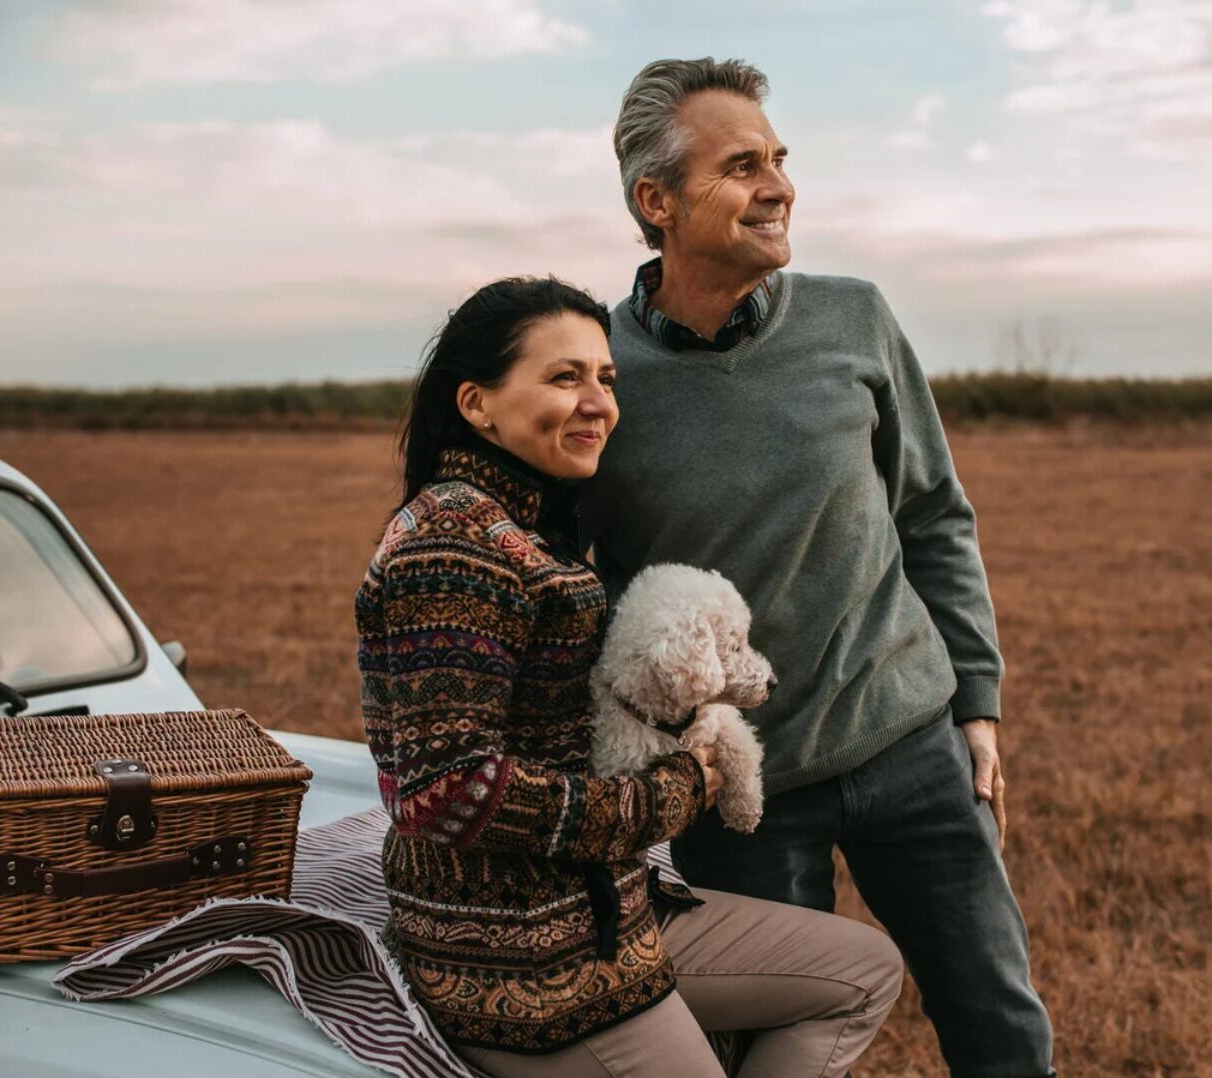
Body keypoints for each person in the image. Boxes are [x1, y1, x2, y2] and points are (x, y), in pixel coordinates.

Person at [579, 59, 1056, 1077]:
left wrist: (976, 702)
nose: (779, 186)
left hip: (913, 747)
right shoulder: (599, 375)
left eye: (779, 160)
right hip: (741, 797)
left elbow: (931, 513)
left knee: (1000, 1025)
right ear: (653, 201)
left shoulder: (854, 317)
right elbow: (583, 590)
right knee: (773, 1052)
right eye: (741, 165)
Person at [355, 276, 903, 1078]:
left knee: (862, 971)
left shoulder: (523, 523)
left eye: (606, 378)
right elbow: (448, 787)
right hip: (526, 963)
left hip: (605, 908)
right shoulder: (454, 547)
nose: (598, 402)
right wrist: (675, 792)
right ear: (478, 404)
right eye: (564, 376)